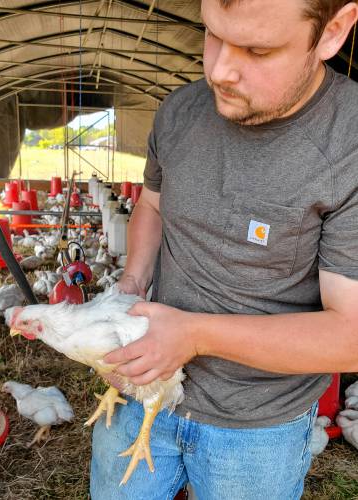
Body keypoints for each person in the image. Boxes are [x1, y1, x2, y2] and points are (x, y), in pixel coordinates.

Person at [90, 0, 358, 498]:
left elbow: (352, 335)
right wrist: (130, 285)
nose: (218, 71)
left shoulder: (349, 147)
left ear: (332, 33)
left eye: (257, 49)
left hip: (258, 426)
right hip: (143, 388)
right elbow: (152, 203)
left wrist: (192, 335)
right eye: (211, 34)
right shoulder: (180, 111)